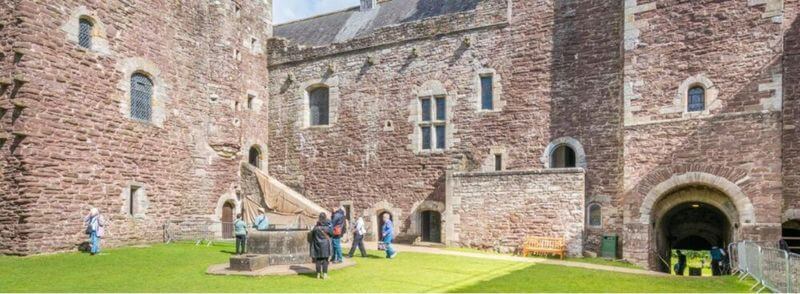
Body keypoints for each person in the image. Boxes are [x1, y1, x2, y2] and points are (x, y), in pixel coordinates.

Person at [309, 212, 333, 279]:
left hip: (317, 245)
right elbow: (332, 234)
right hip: (325, 246)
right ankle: (325, 275)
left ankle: (318, 274)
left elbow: (312, 235)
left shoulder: (315, 228)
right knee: (325, 260)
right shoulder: (328, 228)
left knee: (318, 260)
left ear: (319, 218)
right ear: (325, 218)